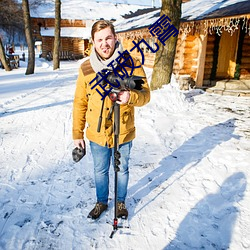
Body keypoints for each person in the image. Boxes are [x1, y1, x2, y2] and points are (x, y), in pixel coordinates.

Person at [72, 20, 150, 220]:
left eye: (108, 38)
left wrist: (130, 97)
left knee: (121, 168)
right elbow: (80, 102)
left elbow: (145, 94)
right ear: (93, 42)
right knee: (100, 170)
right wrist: (77, 134)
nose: (104, 43)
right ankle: (101, 202)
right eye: (99, 40)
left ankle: (121, 202)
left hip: (123, 130)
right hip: (97, 133)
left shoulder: (132, 63)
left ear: (115, 38)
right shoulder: (87, 68)